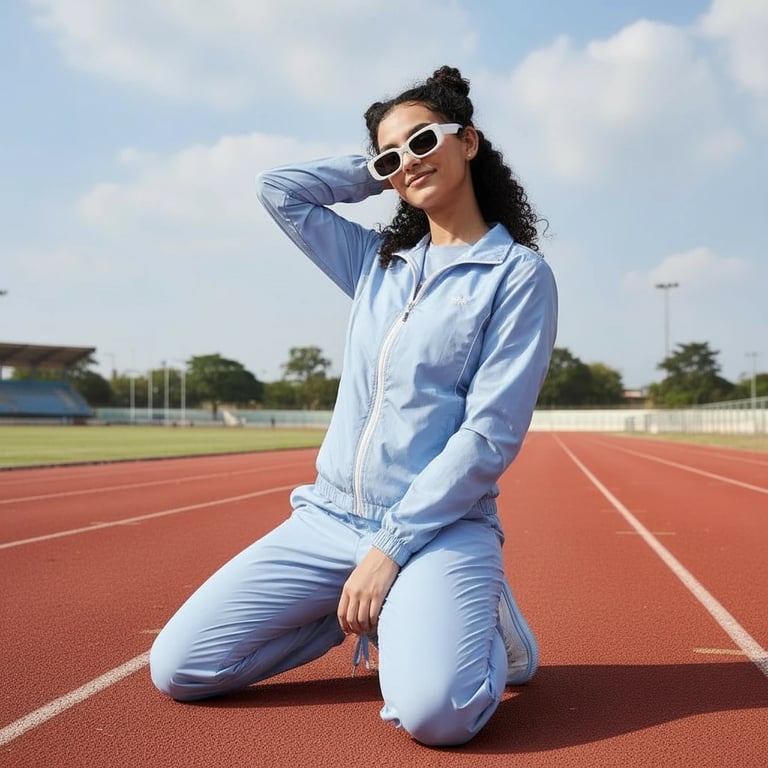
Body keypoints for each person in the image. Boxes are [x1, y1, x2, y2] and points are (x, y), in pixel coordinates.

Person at [150, 65, 558, 747]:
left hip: (436, 526)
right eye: (392, 154)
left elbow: (489, 436)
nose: (410, 162)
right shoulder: (378, 263)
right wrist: (384, 169)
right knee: (182, 668)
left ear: (471, 142)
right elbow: (279, 192)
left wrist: (392, 548)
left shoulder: (517, 276)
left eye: (426, 142)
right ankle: (373, 610)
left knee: (438, 717)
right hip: (329, 520)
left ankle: (482, 623)